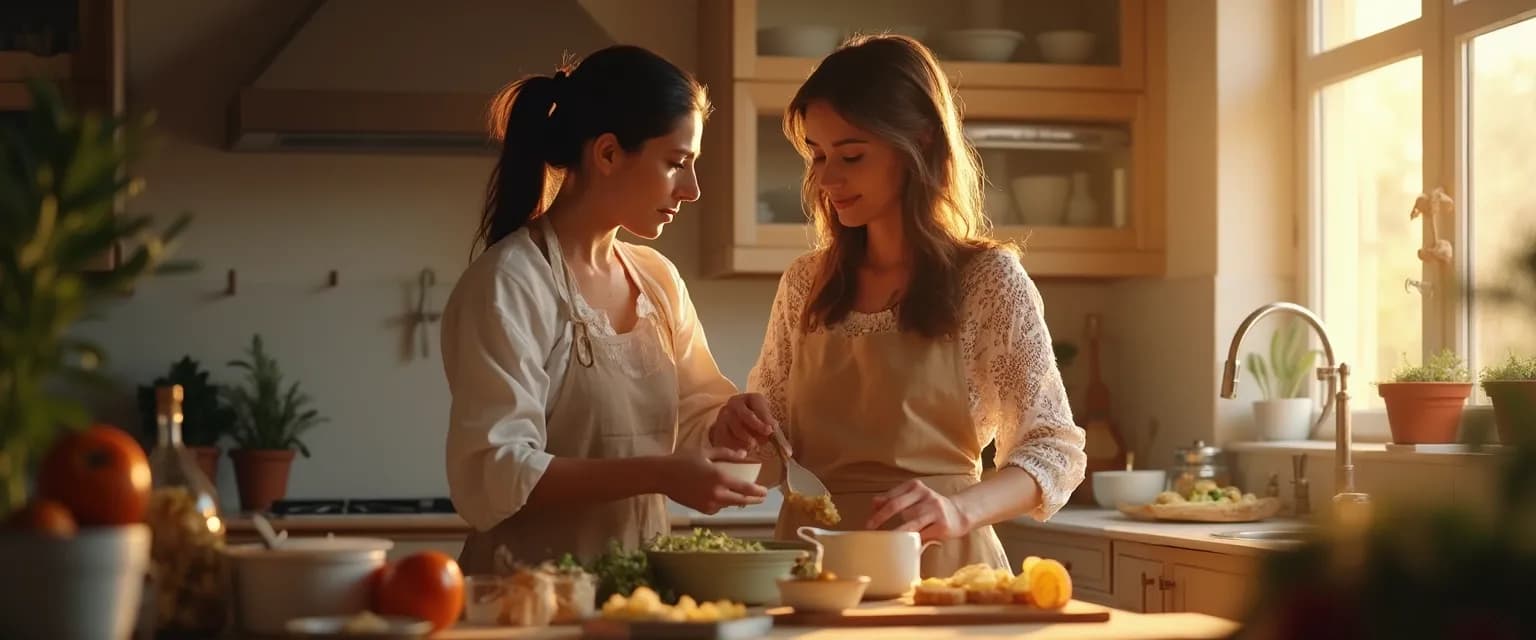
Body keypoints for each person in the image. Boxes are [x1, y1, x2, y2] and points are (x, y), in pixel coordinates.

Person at [711, 35, 1087, 577]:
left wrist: (958, 511)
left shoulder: (987, 281)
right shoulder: (804, 285)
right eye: (817, 155)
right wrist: (740, 429)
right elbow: (773, 459)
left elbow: (1054, 449)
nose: (826, 178)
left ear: (920, 143)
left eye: (852, 155)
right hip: (814, 572)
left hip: (942, 569)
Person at [441, 45, 768, 574]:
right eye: (677, 163)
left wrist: (729, 423)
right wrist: (659, 475)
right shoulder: (511, 283)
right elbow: (496, 470)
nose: (692, 189)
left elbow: (696, 418)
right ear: (609, 153)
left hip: (638, 595)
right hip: (527, 602)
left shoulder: (657, 279)